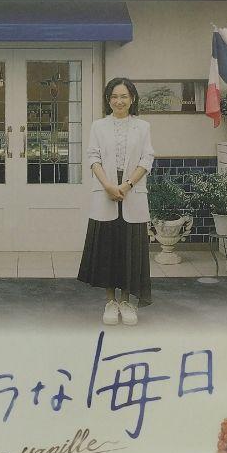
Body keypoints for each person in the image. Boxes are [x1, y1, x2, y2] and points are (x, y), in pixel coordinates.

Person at [77, 77, 155, 325]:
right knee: (108, 249)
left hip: (132, 190)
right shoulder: (98, 126)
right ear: (108, 100)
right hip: (106, 190)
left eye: (123, 96)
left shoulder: (143, 127)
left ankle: (127, 302)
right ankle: (110, 302)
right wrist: (109, 186)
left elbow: (147, 159)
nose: (119, 101)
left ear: (132, 99)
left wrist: (127, 185)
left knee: (131, 248)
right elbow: (93, 157)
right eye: (114, 96)